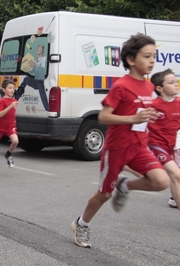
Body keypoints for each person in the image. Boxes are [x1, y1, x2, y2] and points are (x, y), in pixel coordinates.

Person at [71, 33, 170, 248]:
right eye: (147, 56)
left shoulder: (149, 87)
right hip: (117, 148)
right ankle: (82, 223)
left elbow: (142, 114)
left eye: (154, 56)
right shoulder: (121, 86)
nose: (152, 61)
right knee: (105, 193)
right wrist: (133, 118)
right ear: (131, 60)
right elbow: (103, 116)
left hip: (139, 146)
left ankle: (125, 185)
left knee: (162, 181)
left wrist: (148, 117)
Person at [147, 69, 180, 210]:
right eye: (171, 82)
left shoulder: (178, 103)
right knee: (176, 174)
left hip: (172, 145)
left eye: (176, 81)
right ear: (160, 88)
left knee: (174, 178)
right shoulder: (152, 105)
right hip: (156, 144)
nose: (176, 85)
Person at [18, 44, 48, 110]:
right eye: (38, 48)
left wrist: (34, 66)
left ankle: (47, 108)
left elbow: (42, 69)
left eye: (40, 48)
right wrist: (27, 67)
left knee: (42, 95)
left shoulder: (44, 59)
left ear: (43, 49)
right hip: (35, 81)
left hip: (40, 81)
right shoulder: (35, 61)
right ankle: (16, 98)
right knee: (25, 79)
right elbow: (32, 72)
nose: (38, 49)